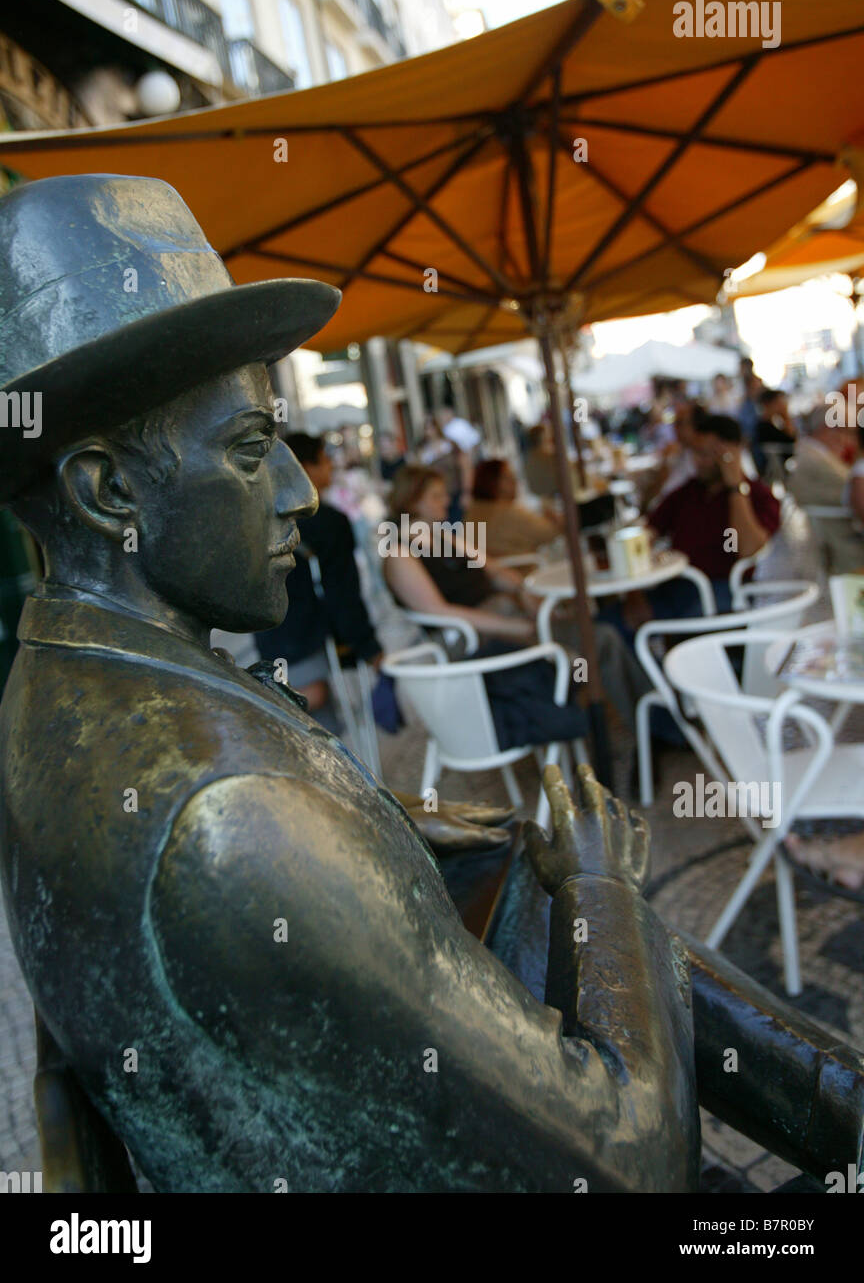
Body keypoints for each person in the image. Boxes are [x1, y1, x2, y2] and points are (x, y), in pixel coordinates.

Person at [0, 173, 699, 1192]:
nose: (301, 489)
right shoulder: (233, 819)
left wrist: (383, 833)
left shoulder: (50, 695)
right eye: (251, 448)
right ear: (109, 492)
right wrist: (600, 885)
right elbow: (630, 1164)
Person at [382, 465, 649, 734]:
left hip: (509, 620)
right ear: (412, 501)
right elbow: (440, 612)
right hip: (479, 643)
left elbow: (494, 570)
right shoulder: (399, 554)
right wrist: (512, 625)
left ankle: (642, 722)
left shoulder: (443, 536)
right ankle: (637, 725)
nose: (446, 501)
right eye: (436, 496)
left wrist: (525, 592)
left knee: (598, 635)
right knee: (595, 642)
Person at [255, 432, 382, 729]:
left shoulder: (263, 519)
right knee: (315, 704)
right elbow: (343, 592)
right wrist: (367, 645)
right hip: (309, 634)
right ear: (305, 468)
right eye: (325, 461)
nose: (331, 468)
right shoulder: (329, 522)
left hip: (275, 637)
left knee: (311, 721)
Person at [646, 414, 780, 615]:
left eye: (706, 454)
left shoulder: (758, 496)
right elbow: (649, 531)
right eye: (695, 453)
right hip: (676, 584)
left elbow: (748, 548)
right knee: (609, 622)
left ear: (732, 453)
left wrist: (735, 487)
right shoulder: (687, 492)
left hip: (725, 589)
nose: (697, 461)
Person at [788, 407, 862, 572]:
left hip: (835, 532)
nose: (851, 439)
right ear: (829, 429)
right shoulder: (816, 460)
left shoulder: (813, 451)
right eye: (849, 431)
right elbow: (855, 497)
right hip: (844, 541)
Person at [464, 458, 562, 559]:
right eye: (508, 477)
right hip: (522, 571)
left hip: (489, 572)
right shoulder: (507, 512)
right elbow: (548, 533)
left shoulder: (473, 511)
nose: (514, 481)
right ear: (492, 481)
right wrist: (553, 517)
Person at [753, 387, 796, 476]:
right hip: (775, 470)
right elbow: (792, 441)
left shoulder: (771, 424)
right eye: (779, 402)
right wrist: (786, 416)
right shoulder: (764, 427)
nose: (783, 405)